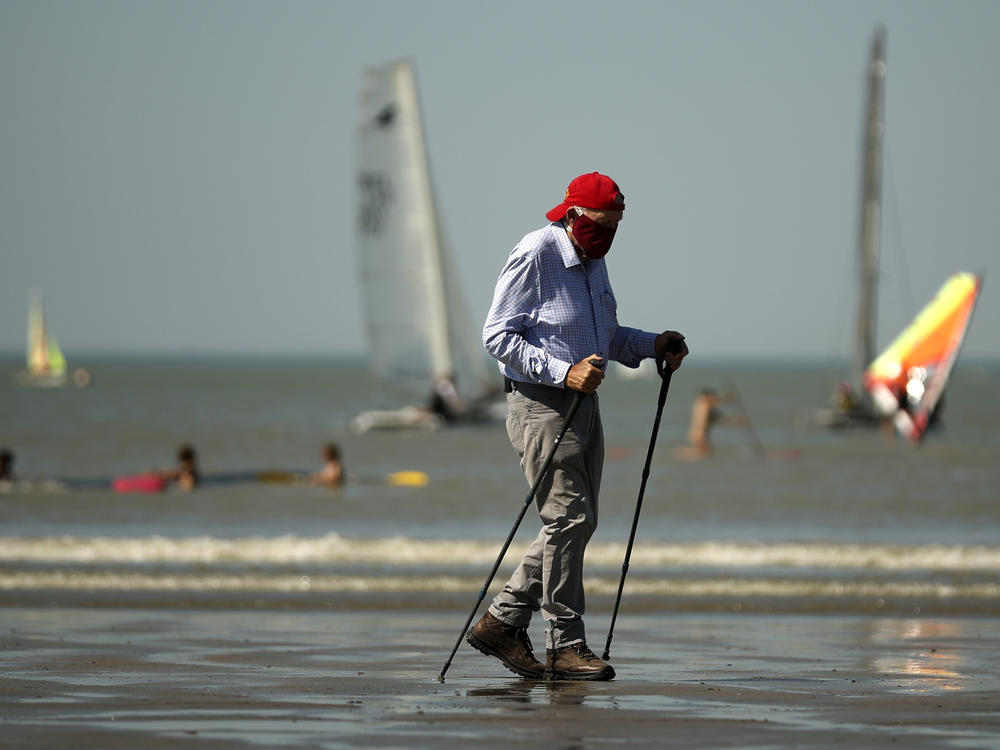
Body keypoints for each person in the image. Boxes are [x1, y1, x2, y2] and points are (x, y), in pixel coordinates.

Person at [468, 172, 688, 681]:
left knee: (576, 522)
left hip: (583, 406)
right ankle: (565, 645)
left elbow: (606, 337)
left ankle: (502, 621)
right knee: (568, 521)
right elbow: (497, 336)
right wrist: (562, 371)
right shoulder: (536, 253)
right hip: (540, 404)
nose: (607, 235)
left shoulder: (595, 262)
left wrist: (653, 344)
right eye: (600, 225)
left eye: (615, 226)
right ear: (572, 216)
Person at [674, 388, 745, 460]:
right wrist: (730, 397)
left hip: (701, 434)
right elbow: (714, 401)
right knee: (704, 454)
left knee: (706, 453)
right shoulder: (703, 403)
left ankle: (683, 452)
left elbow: (722, 419)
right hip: (699, 434)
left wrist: (737, 420)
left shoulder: (709, 409)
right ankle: (683, 453)